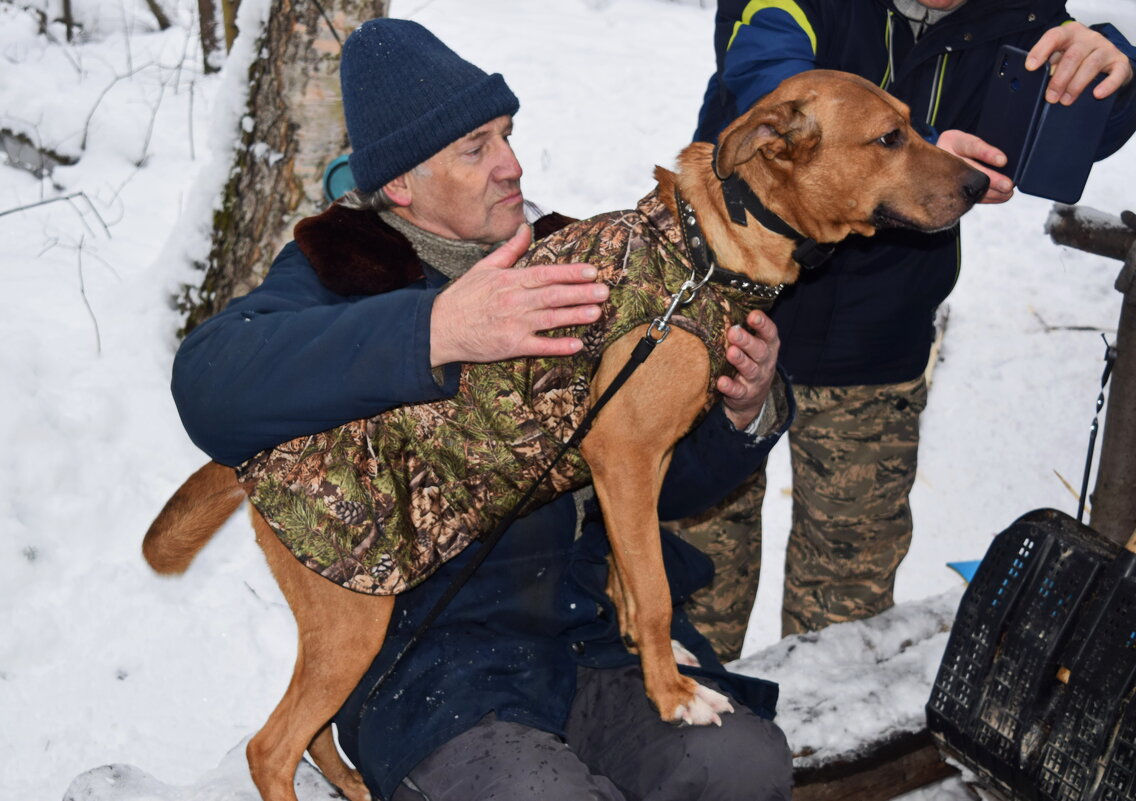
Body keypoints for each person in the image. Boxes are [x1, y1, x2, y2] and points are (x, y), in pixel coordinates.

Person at [171, 18, 795, 801]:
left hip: (584, 636)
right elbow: (209, 381)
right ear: (401, 184)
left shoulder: (578, 257)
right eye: (476, 148)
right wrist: (435, 328)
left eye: (506, 134)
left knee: (743, 767)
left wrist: (743, 409)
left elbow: (655, 477)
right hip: (438, 667)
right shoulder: (338, 271)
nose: (513, 164)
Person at [673, 0, 1136, 658]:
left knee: (843, 618)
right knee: (691, 588)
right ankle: (677, 747)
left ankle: (817, 756)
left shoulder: (1021, 15)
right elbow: (767, 74)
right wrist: (905, 158)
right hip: (726, 322)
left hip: (875, 340)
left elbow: (1089, 120)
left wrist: (1117, 69)